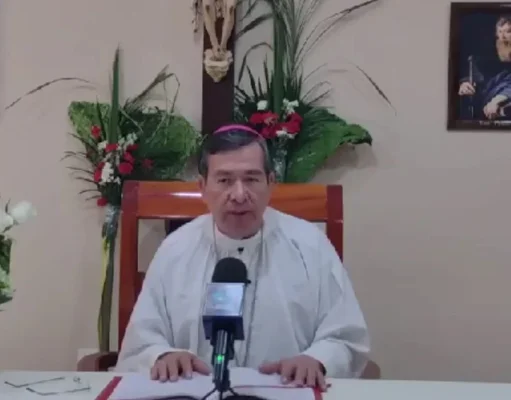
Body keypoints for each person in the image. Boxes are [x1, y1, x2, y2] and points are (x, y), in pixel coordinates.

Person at [115, 124, 370, 389]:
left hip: (289, 392)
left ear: (271, 183)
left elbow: (346, 337)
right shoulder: (175, 249)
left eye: (251, 179)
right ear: (202, 187)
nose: (239, 195)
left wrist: (317, 359)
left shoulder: (310, 245)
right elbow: (141, 342)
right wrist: (162, 356)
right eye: (224, 180)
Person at [458, 16, 511, 120]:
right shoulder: (484, 57)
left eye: (508, 32)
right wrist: (464, 84)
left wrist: (498, 99)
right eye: (500, 32)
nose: (503, 37)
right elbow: (477, 79)